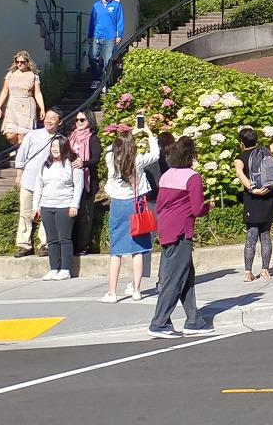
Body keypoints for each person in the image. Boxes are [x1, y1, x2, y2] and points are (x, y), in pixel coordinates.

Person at [148, 138, 211, 338]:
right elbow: (197, 208)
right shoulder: (193, 177)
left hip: (166, 228)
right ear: (191, 156)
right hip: (181, 231)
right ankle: (159, 322)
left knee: (185, 276)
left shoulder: (166, 176)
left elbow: (161, 204)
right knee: (175, 279)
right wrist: (209, 207)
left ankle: (194, 320)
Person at [102, 122, 161, 302]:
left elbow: (109, 149)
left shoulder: (111, 159)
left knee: (116, 251)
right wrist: (149, 133)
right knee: (138, 248)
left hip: (117, 205)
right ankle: (136, 289)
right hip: (136, 204)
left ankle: (112, 292)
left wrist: (129, 132)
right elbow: (156, 154)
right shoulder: (138, 160)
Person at [31, 136, 84, 280]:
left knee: (64, 239)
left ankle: (66, 269)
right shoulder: (45, 165)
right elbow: (38, 186)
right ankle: (54, 268)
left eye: (57, 146)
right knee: (51, 239)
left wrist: (74, 205)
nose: (54, 149)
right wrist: (35, 207)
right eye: (52, 146)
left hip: (65, 205)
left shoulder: (73, 164)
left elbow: (78, 185)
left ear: (64, 147)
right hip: (47, 205)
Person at [12, 109, 62, 257]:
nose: (49, 120)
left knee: (46, 214)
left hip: (48, 183)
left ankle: (45, 244)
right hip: (29, 179)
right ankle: (24, 244)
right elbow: (22, 154)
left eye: (53, 118)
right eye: (47, 117)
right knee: (25, 213)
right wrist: (19, 175)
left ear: (60, 122)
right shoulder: (32, 135)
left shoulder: (60, 139)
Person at [235, 127, 273, 281]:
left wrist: (252, 189)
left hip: (253, 199)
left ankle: (248, 272)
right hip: (269, 195)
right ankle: (265, 270)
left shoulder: (240, 157)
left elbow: (240, 173)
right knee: (266, 235)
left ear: (241, 142)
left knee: (251, 236)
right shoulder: (266, 150)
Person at [0, 51, 45, 145]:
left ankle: (19, 155)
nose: (19, 64)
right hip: (12, 106)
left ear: (27, 62)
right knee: (10, 135)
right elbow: (4, 91)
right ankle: (16, 149)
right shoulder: (11, 74)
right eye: (17, 62)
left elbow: (38, 93)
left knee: (22, 137)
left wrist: (42, 108)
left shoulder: (33, 76)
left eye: (22, 62)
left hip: (26, 106)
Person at [67, 112, 99, 251]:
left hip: (88, 181)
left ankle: (83, 244)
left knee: (85, 215)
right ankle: (71, 243)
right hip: (70, 180)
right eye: (77, 120)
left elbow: (95, 159)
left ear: (89, 121)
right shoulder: (71, 138)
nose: (79, 122)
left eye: (82, 120)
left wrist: (83, 164)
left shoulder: (93, 139)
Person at [90, 0, 125, 88]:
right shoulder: (96, 5)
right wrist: (90, 35)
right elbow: (92, 21)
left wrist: (119, 35)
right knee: (93, 57)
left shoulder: (116, 5)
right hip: (97, 36)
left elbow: (120, 20)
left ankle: (106, 81)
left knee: (108, 60)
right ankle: (96, 79)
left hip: (110, 37)